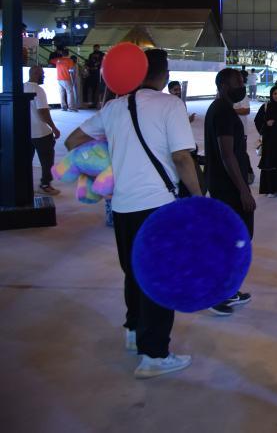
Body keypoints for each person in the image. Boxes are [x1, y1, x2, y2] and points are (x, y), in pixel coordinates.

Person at [65, 49, 202, 379]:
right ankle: (154, 355)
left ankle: (132, 330)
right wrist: (199, 198)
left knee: (134, 271)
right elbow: (182, 157)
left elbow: (72, 141)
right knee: (160, 278)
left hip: (123, 207)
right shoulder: (170, 105)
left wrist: (110, 164)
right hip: (158, 206)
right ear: (164, 74)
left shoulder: (113, 107)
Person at [204, 68, 256, 317]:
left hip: (226, 185)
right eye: (238, 82)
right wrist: (243, 190)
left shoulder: (221, 109)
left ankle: (229, 289)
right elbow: (227, 155)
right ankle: (217, 293)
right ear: (224, 85)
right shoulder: (223, 111)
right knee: (230, 241)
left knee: (236, 239)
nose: (242, 85)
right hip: (228, 188)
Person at [27, 65, 61, 196]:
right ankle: (45, 185)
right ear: (35, 74)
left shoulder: (22, 87)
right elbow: (43, 112)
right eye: (42, 74)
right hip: (41, 132)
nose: (44, 76)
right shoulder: (38, 90)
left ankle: (25, 185)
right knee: (47, 160)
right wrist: (54, 128)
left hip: (26, 132)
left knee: (25, 161)